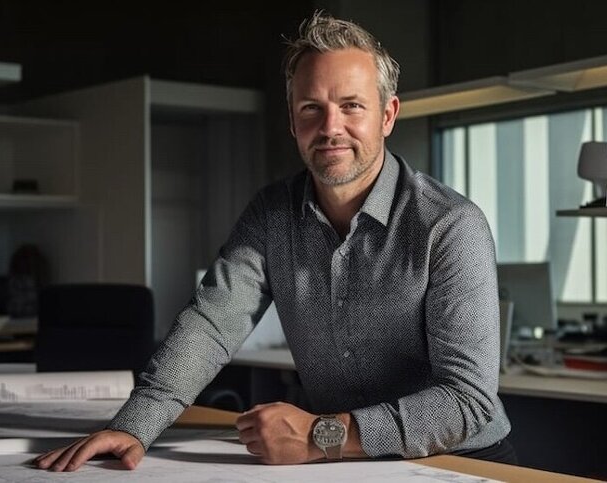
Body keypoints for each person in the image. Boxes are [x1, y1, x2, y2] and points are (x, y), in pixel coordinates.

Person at [34, 10, 513, 472]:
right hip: (341, 467)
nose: (330, 127)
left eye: (351, 106)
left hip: (459, 465)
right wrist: (135, 426)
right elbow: (210, 324)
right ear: (292, 120)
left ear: (387, 115)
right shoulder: (271, 214)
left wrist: (319, 435)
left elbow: (466, 400)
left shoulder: (450, 226)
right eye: (312, 108)